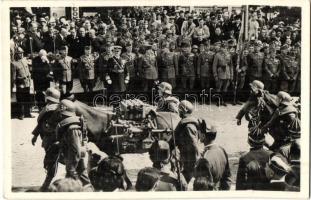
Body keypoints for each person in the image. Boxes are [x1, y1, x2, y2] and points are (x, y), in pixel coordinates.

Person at [31, 87, 62, 191]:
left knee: (52, 161)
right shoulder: (57, 108)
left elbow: (41, 124)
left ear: (49, 98)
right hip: (51, 139)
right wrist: (35, 135)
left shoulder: (50, 110)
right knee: (52, 160)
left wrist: (35, 136)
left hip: (51, 140)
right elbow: (41, 124)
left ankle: (46, 185)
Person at [55, 99, 90, 185]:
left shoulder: (72, 128)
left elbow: (76, 151)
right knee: (83, 175)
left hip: (73, 158)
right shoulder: (69, 125)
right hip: (73, 157)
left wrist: (71, 168)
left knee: (71, 182)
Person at [194, 125, 232, 190]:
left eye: (199, 133)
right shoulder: (222, 150)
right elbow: (227, 178)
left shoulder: (205, 159)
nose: (198, 134)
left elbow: (202, 186)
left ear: (203, 136)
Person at [174, 100, 201, 183]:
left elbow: (193, 145)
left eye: (179, 109)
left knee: (185, 179)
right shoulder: (187, 123)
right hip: (185, 156)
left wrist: (195, 161)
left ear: (184, 110)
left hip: (189, 159)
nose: (178, 111)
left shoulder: (188, 126)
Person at [11, 47, 34, 119]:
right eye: (19, 53)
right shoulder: (14, 64)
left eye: (21, 53)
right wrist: (14, 84)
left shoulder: (25, 61)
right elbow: (13, 76)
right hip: (20, 83)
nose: (21, 55)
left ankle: (28, 113)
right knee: (20, 100)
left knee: (27, 99)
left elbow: (28, 70)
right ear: (16, 54)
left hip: (27, 83)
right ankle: (21, 114)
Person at [212, 41, 233, 106]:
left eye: (225, 47)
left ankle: (223, 101)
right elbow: (214, 66)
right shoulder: (217, 55)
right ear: (221, 48)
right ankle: (218, 101)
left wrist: (231, 75)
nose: (224, 49)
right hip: (220, 73)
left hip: (227, 73)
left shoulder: (229, 55)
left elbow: (231, 66)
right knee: (218, 88)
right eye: (223, 47)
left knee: (225, 89)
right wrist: (215, 75)